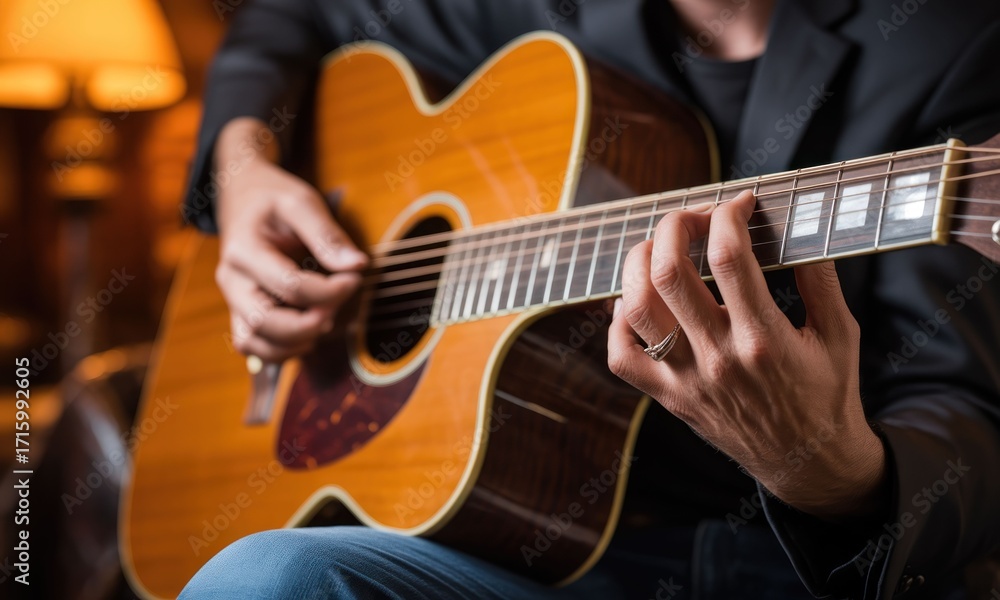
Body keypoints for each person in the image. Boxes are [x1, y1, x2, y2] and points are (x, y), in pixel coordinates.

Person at [178, 0, 1000, 598]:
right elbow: (290, 17)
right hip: (508, 556)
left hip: (773, 566)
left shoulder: (948, 44)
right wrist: (245, 171)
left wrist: (825, 466)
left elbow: (963, 417)